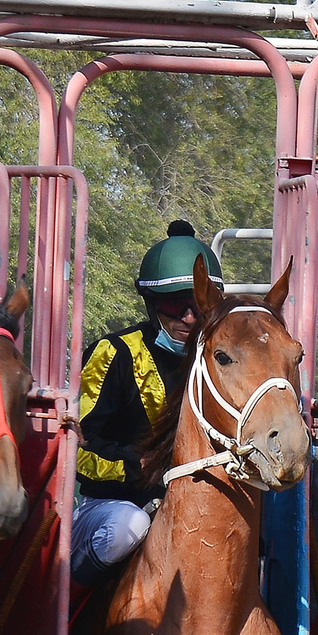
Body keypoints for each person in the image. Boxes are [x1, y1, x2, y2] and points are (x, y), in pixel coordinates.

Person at [70, 222, 220, 586]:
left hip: (190, 503)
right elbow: (76, 450)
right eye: (175, 303)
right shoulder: (114, 354)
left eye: (197, 305)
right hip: (113, 508)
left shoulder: (218, 360)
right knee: (131, 527)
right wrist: (138, 468)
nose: (188, 317)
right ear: (152, 305)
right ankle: (66, 615)